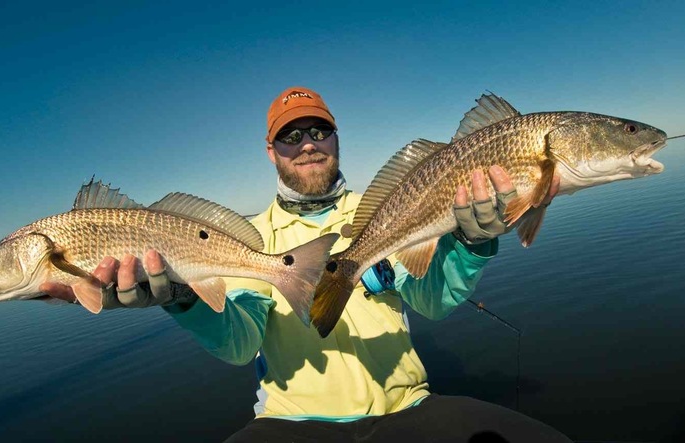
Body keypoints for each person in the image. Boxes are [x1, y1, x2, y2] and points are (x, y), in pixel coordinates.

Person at [42, 86, 571, 442]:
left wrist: (472, 242)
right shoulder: (248, 239)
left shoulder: (388, 209)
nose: (308, 145)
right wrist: (182, 299)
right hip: (289, 424)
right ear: (270, 151)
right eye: (290, 137)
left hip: (406, 410)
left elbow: (433, 301)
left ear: (337, 137)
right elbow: (239, 342)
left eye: (319, 130)